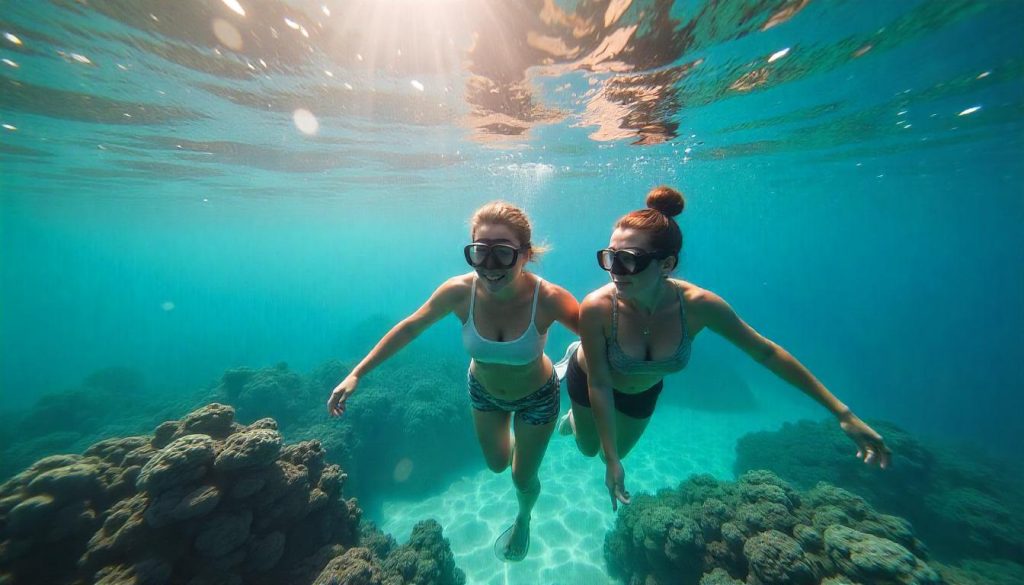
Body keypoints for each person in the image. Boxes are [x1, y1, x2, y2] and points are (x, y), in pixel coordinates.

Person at [558, 186, 892, 511]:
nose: (615, 271)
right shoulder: (597, 307)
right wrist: (612, 461)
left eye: (629, 260)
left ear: (666, 264)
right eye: (610, 257)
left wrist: (842, 414)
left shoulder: (700, 306)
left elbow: (766, 353)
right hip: (592, 379)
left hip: (642, 389)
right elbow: (599, 383)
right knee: (591, 450)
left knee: (609, 454)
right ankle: (576, 393)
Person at [327, 201, 580, 562]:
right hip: (485, 393)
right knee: (496, 464)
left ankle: (524, 517)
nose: (489, 267)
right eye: (480, 253)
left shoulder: (549, 298)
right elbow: (410, 327)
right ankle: (552, 386)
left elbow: (599, 335)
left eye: (503, 254)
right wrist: (357, 373)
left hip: (537, 397)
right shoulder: (459, 292)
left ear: (525, 255)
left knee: (521, 478)